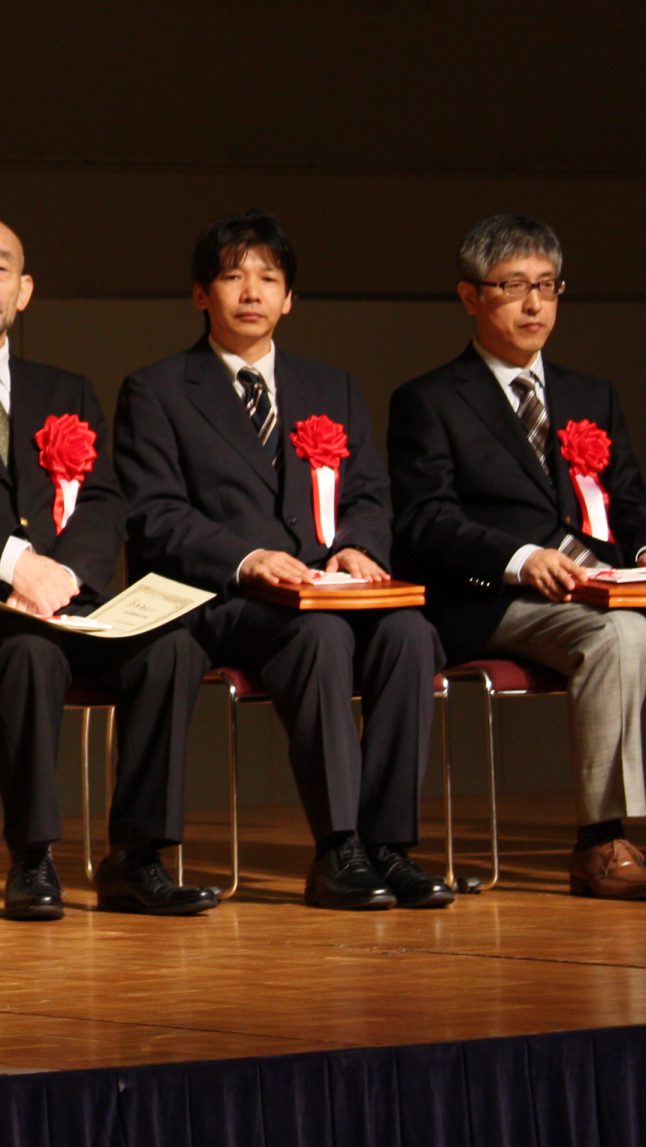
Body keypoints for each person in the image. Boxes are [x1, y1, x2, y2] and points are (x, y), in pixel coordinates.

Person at [0, 217, 214, 921]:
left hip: (64, 597)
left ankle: (137, 857)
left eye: (0, 268)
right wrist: (16, 565)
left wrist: (67, 578)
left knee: (173, 649)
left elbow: (105, 498)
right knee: (25, 653)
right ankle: (32, 858)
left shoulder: (68, 388)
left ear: (24, 291)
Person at [115, 211, 450, 912]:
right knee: (319, 637)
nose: (252, 291)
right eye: (234, 275)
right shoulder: (159, 389)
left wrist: (359, 546)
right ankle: (338, 849)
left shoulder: (333, 386)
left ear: (289, 298)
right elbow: (155, 513)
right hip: (227, 599)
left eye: (268, 278)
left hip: (328, 588)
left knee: (411, 633)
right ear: (201, 293)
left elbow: (368, 493)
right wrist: (248, 557)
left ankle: (389, 846)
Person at [389, 214, 646, 899]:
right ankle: (600, 841)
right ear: (471, 296)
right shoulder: (430, 399)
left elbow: (634, 499)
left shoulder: (591, 394)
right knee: (620, 633)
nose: (533, 304)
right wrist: (522, 558)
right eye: (514, 286)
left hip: (610, 582)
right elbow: (425, 521)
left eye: (547, 287)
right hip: (497, 597)